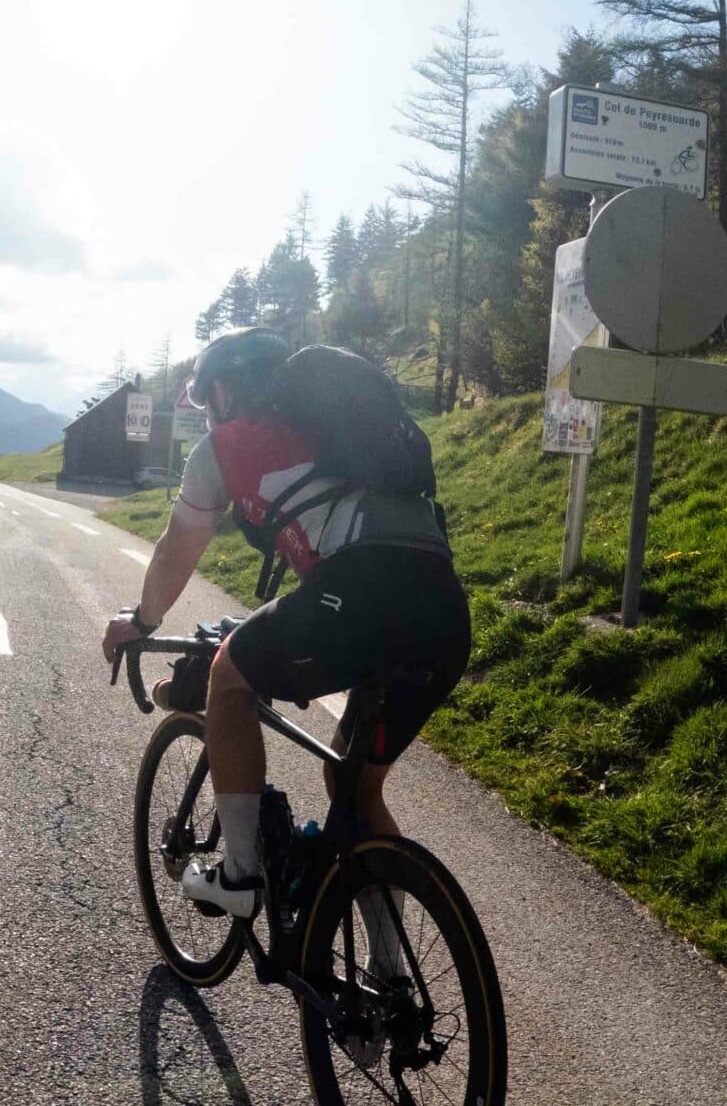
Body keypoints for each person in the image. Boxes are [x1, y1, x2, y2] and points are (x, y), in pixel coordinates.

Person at [100, 327, 471, 924]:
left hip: (357, 597)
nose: (209, 414)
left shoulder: (227, 446)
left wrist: (141, 620)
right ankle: (391, 981)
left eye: (206, 399)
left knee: (230, 674)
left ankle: (240, 875)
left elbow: (176, 551)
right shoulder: (341, 434)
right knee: (352, 784)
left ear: (223, 390)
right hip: (444, 614)